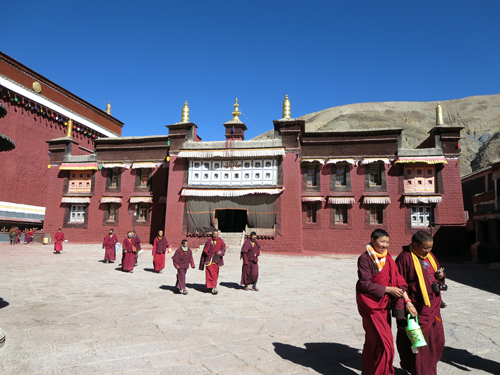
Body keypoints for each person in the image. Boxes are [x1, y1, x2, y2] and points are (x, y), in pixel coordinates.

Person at [356, 229, 416, 375]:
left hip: (383, 306)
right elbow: (364, 284)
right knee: (378, 341)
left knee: (383, 342)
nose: (385, 245)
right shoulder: (365, 258)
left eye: (387, 242)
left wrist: (407, 301)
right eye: (382, 241)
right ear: (372, 240)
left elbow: (399, 279)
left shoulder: (388, 258)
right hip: (370, 305)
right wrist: (388, 289)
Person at [395, 231, 446, 375]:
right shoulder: (404, 258)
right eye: (425, 248)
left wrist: (440, 276)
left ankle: (426, 368)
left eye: (430, 247)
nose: (428, 251)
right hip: (417, 309)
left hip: (433, 307)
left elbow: (435, 273)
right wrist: (407, 304)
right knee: (421, 346)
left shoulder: (430, 256)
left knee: (438, 341)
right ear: (415, 244)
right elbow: (399, 283)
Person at [199, 230, 226, 295]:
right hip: (209, 260)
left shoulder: (220, 241)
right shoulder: (209, 241)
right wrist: (203, 261)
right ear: (212, 234)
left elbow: (223, 248)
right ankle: (212, 286)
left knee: (215, 274)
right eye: (214, 234)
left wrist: (221, 252)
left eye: (217, 234)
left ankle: (213, 286)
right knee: (209, 274)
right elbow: (204, 251)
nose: (215, 236)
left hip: (216, 260)